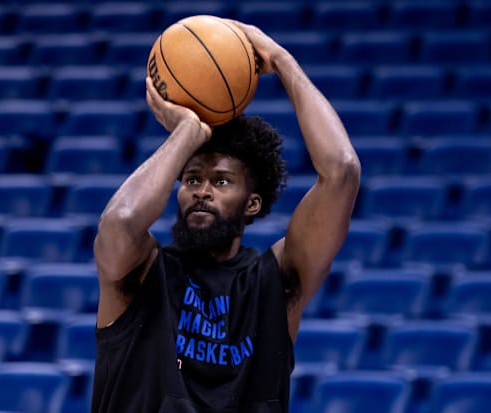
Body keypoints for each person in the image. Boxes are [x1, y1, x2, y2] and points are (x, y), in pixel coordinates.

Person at [91, 20, 360, 413]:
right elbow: (120, 221)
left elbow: (343, 170)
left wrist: (282, 60)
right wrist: (185, 133)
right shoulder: (141, 271)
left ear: (252, 203)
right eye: (192, 179)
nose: (201, 190)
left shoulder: (278, 281)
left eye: (220, 181)